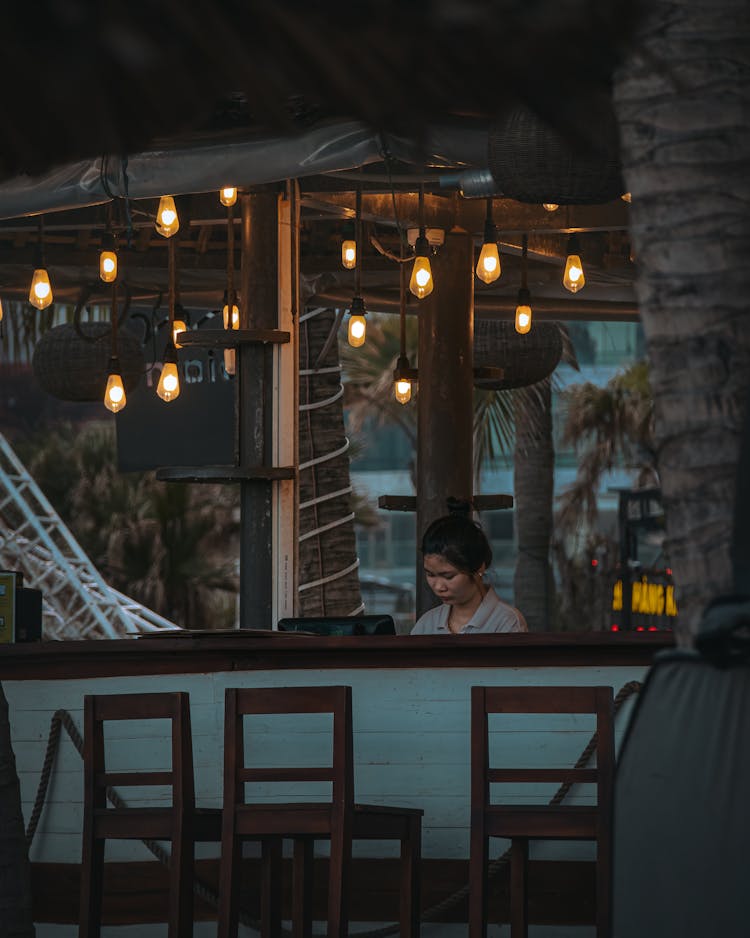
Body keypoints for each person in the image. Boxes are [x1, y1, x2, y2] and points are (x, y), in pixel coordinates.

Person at [411, 514, 527, 634]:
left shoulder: (507, 622)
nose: (438, 587)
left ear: (478, 568)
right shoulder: (427, 623)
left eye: (448, 576)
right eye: (430, 575)